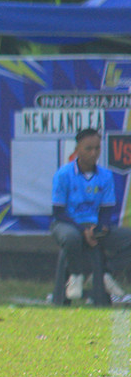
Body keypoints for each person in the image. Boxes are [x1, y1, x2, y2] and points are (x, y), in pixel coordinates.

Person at [50, 127, 131, 303]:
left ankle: (104, 273)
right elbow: (58, 212)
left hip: (94, 226)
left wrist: (99, 228)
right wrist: (82, 229)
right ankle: (76, 276)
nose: (94, 153)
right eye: (88, 148)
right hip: (68, 224)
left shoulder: (105, 175)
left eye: (97, 148)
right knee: (71, 238)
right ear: (77, 149)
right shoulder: (64, 174)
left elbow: (106, 210)